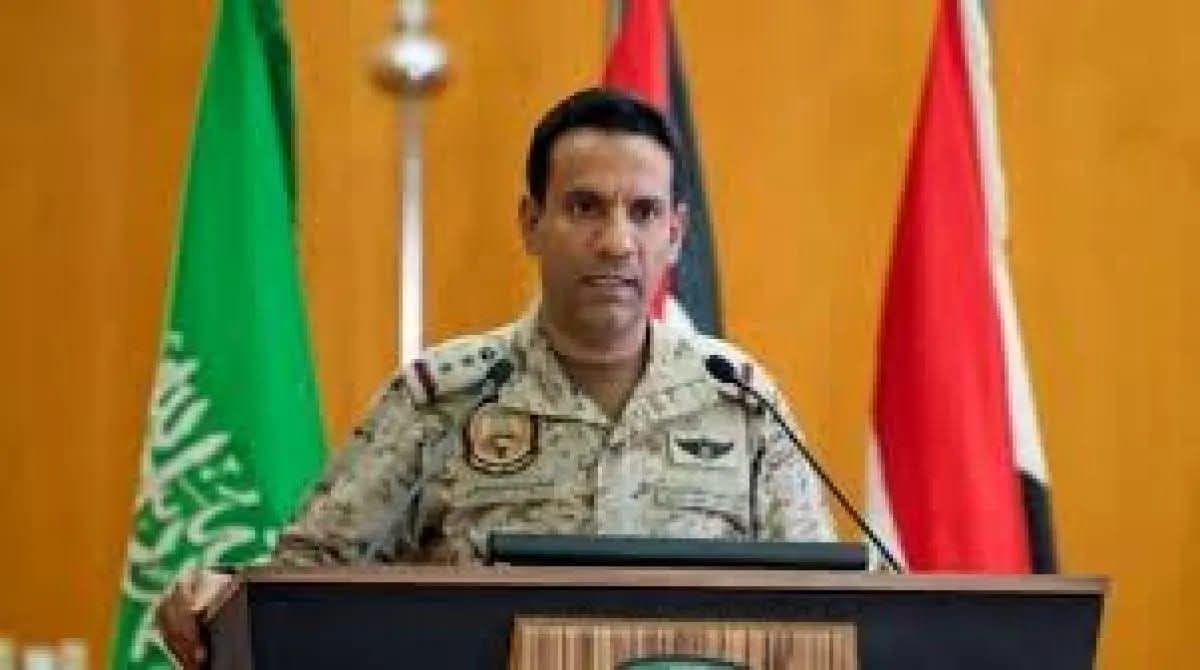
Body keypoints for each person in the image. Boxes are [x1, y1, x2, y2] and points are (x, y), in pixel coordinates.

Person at [156, 87, 836, 667]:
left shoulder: (740, 402)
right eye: (585, 207)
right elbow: (303, 585)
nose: (616, 242)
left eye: (644, 212)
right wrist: (218, 592)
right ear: (531, 222)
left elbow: (827, 608)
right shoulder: (444, 400)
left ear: (677, 234)